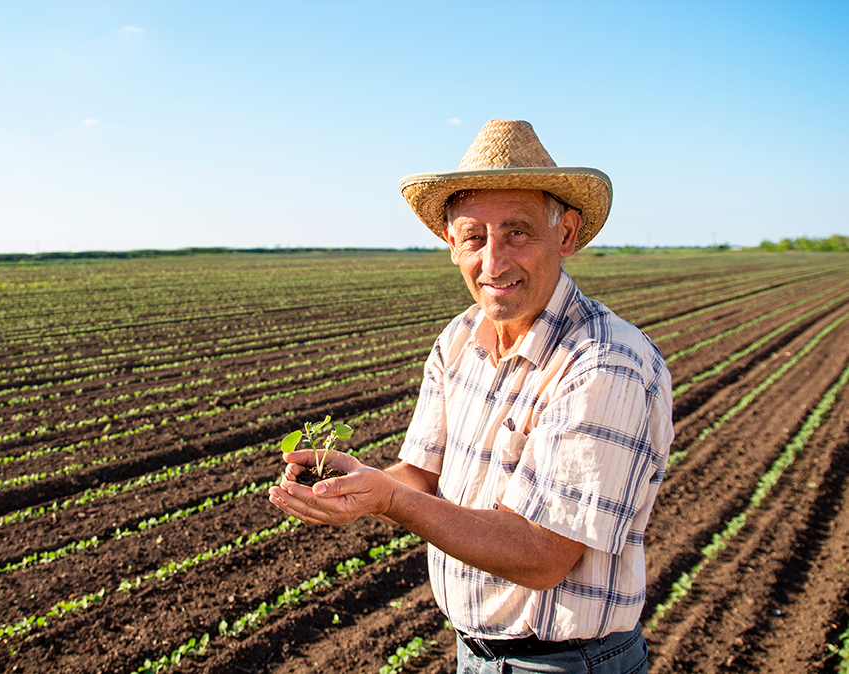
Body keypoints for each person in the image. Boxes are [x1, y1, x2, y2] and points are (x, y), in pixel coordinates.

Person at [268, 119, 674, 674]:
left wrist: (388, 499)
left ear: (567, 234)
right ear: (450, 243)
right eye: (473, 237)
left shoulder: (603, 363)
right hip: (476, 654)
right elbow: (422, 475)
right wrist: (355, 486)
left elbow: (540, 555)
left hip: (566, 664)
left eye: (517, 233)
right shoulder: (460, 338)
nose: (493, 262)